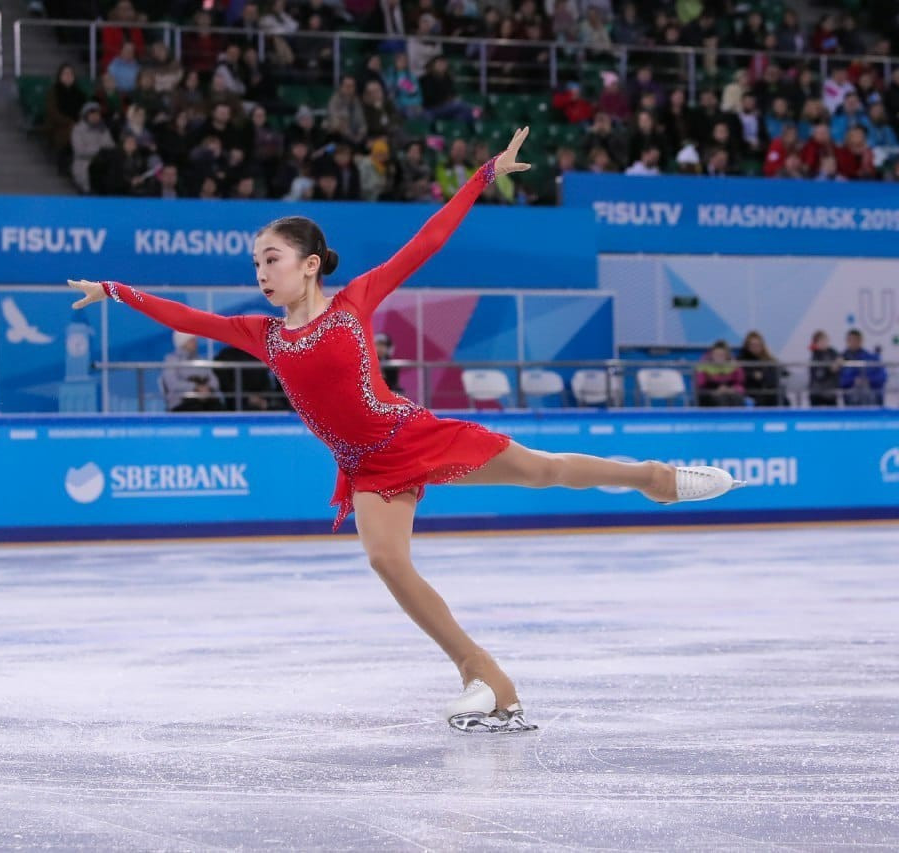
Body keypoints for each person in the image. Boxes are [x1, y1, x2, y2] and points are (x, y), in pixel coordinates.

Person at [67, 127, 742, 733]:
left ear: (309, 263)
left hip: (411, 435)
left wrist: (482, 176)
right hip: (364, 467)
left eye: (270, 259)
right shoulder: (265, 335)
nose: (260, 272)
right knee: (387, 560)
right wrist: (115, 288)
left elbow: (427, 240)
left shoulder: (356, 298)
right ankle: (485, 678)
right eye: (254, 265)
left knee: (542, 469)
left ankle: (653, 479)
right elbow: (188, 318)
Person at [160, 331, 224, 412]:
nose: (195, 343)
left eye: (195, 340)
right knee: (195, 407)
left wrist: (207, 388)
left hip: (206, 399)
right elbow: (173, 384)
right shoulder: (171, 360)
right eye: (192, 340)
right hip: (182, 402)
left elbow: (214, 381)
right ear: (182, 342)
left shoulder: (200, 360)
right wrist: (195, 388)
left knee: (218, 407)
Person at [839, 328, 887, 406]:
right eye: (850, 340)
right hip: (851, 402)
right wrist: (854, 380)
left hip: (872, 400)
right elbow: (840, 381)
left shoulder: (872, 358)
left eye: (855, 340)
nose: (853, 342)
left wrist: (867, 380)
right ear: (847, 341)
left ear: (861, 340)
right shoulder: (842, 359)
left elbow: (882, 377)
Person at [736, 330, 784, 406]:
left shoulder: (770, 360)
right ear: (747, 346)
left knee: (777, 394)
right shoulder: (741, 360)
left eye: (758, 345)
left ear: (762, 345)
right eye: (753, 345)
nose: (755, 348)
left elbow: (775, 376)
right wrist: (752, 375)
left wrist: (763, 376)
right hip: (751, 392)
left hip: (769, 390)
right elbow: (739, 376)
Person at [695, 340, 746, 406]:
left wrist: (731, 390)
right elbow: (700, 385)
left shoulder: (734, 366)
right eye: (716, 355)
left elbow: (740, 385)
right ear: (712, 355)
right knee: (721, 399)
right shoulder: (703, 366)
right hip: (710, 394)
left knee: (737, 398)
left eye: (722, 355)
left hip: (730, 392)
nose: (719, 357)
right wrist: (714, 392)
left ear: (727, 356)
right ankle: (723, 416)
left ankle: (737, 416)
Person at [808, 329, 841, 406]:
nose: (824, 342)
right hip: (817, 393)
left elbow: (840, 359)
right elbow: (819, 375)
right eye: (821, 341)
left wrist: (838, 363)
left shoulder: (832, 352)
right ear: (816, 343)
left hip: (831, 393)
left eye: (825, 340)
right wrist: (831, 369)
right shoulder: (815, 355)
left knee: (833, 416)